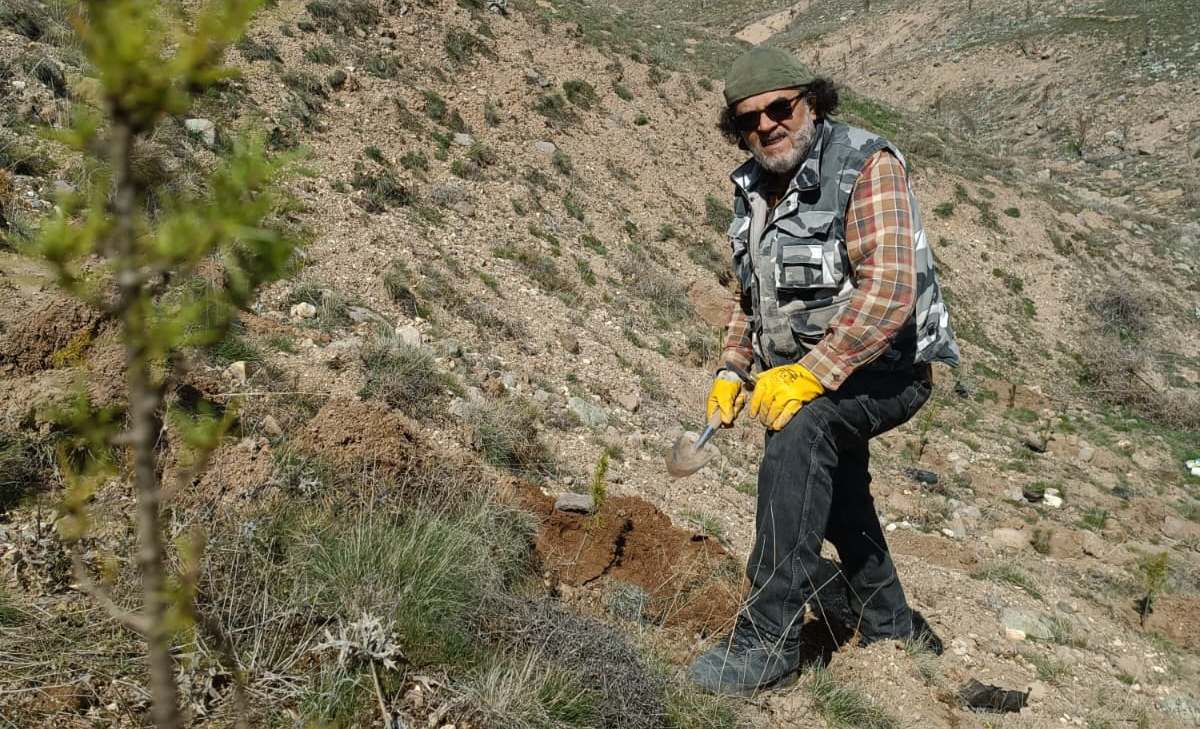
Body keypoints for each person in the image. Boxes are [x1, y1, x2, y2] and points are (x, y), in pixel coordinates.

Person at [688, 45, 960, 697]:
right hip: (811, 368)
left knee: (800, 432)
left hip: (889, 370)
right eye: (748, 118)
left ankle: (768, 639)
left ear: (811, 101)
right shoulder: (751, 189)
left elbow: (890, 289)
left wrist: (813, 372)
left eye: (779, 108)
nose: (766, 125)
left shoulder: (867, 165)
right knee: (835, 492)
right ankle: (894, 627)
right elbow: (748, 297)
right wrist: (733, 370)